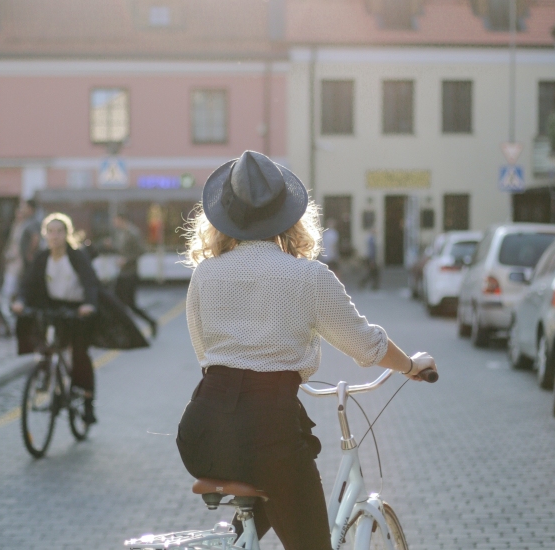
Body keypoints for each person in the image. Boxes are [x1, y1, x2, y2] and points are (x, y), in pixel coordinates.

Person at [177, 150, 437, 550]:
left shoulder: (205, 275)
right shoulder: (308, 276)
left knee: (267, 489)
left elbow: (205, 354)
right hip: (271, 436)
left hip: (201, 436)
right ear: (288, 215)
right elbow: (367, 345)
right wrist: (410, 365)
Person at [13, 213, 149, 424]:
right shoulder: (42, 257)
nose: (55, 236)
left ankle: (87, 401)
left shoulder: (76, 256)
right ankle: (49, 376)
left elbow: (89, 282)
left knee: (79, 353)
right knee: (46, 346)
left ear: (66, 234)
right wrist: (21, 300)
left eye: (59, 231)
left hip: (78, 309)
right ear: (45, 235)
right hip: (54, 307)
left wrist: (89, 304)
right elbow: (28, 283)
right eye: (51, 232)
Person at [112, 213, 158, 337]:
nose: (114, 223)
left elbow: (141, 250)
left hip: (130, 273)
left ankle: (150, 322)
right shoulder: (121, 233)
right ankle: (123, 329)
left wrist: (127, 260)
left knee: (129, 304)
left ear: (122, 219)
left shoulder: (133, 233)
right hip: (122, 273)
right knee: (118, 302)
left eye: (116, 220)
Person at [1, 199, 40, 317]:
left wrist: (29, 253)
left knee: (13, 287)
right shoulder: (21, 224)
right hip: (15, 261)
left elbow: (35, 239)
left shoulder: (32, 223)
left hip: (20, 262)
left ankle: (11, 314)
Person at [359, 225, 380, 290]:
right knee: (372, 273)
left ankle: (371, 285)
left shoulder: (370, 238)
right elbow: (371, 251)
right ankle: (365, 284)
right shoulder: (371, 239)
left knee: (372, 273)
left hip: (369, 258)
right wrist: (372, 260)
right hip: (370, 259)